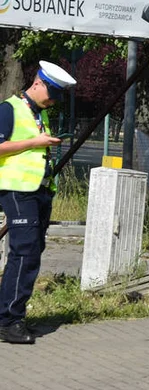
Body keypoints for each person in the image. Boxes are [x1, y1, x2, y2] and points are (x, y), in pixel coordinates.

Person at [0, 61, 76, 344]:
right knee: (25, 252)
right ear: (38, 83)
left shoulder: (37, 112)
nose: (55, 100)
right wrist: (35, 143)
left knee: (31, 252)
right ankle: (9, 321)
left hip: (39, 191)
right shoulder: (9, 109)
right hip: (17, 191)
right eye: (53, 93)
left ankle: (10, 314)